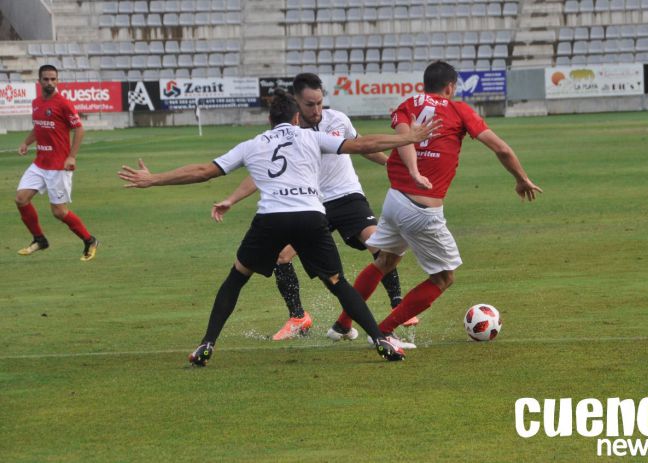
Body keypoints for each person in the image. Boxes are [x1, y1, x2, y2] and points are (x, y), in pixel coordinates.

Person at [117, 90, 441, 365]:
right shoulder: (312, 136)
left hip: (271, 218)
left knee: (236, 278)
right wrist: (406, 137)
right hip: (311, 217)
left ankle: (207, 343)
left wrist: (154, 179)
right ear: (297, 117)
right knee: (338, 282)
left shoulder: (253, 144)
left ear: (269, 121)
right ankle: (380, 340)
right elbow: (361, 144)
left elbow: (204, 171)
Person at [330, 61, 543, 348]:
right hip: (421, 210)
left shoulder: (408, 104)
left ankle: (342, 324)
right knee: (443, 277)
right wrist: (522, 179)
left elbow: (403, 139)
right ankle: (383, 332)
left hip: (395, 199)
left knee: (385, 261)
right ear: (451, 87)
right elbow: (501, 148)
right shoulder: (459, 110)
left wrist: (413, 170)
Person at [214, 73, 413, 343]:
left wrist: (392, 165)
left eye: (320, 102)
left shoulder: (338, 120)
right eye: (309, 104)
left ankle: (397, 304)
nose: (317, 110)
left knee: (378, 242)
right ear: (296, 103)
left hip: (346, 195)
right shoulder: (290, 135)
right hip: (310, 203)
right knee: (282, 257)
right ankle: (298, 317)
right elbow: (267, 173)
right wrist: (232, 198)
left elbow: (363, 147)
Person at [15, 64, 98, 261]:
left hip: (58, 166)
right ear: (39, 81)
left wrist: (72, 156)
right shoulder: (36, 103)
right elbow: (39, 127)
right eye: (46, 79)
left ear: (57, 81)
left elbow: (79, 129)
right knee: (21, 199)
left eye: (53, 79)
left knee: (59, 212)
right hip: (40, 163)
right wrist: (26, 142)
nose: (50, 82)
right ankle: (39, 239)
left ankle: (89, 240)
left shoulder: (63, 103)